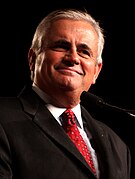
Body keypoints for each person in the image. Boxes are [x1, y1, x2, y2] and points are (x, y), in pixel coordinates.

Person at [0, 8, 131, 179]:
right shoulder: (3, 117)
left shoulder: (118, 146)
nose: (73, 58)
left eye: (84, 51)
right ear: (33, 59)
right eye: (61, 46)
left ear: (96, 71)